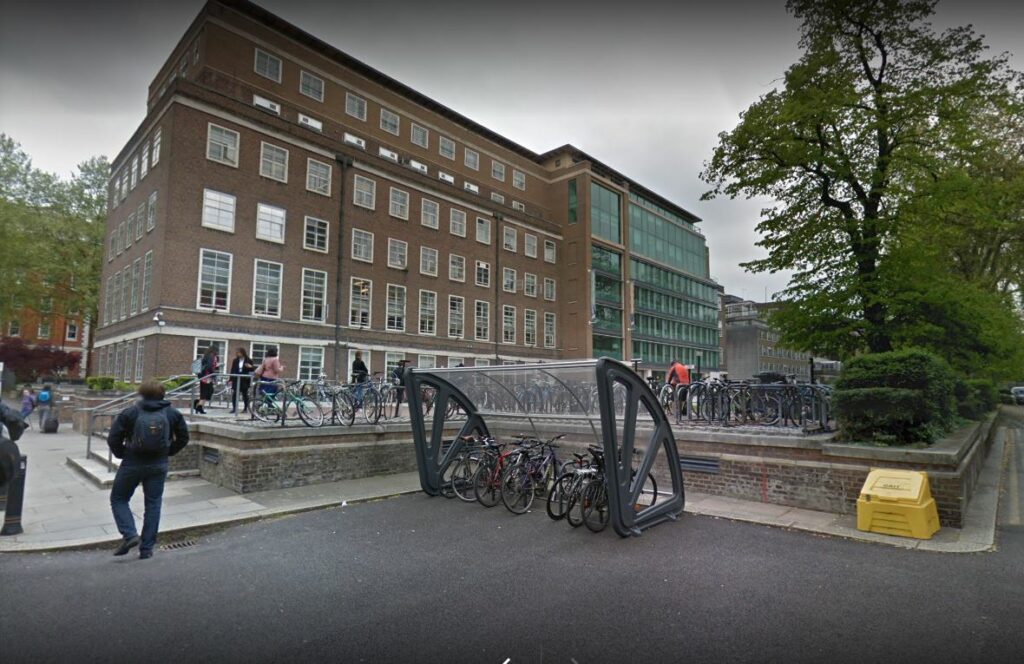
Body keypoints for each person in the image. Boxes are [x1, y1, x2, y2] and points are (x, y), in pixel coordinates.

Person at [107, 380, 190, 559]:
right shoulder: (172, 413)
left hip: (132, 462)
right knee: (153, 504)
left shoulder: (130, 412)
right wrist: (168, 451)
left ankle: (130, 534)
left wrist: (122, 453)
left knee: (119, 499)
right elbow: (184, 437)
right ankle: (146, 549)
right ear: (163, 394)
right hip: (158, 464)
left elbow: (113, 438)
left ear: (141, 394)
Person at [193, 346, 219, 414]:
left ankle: (199, 405)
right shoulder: (212, 356)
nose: (217, 352)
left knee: (204, 392)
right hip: (207, 377)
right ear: (214, 351)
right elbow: (210, 366)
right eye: (217, 351)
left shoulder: (205, 356)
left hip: (203, 376)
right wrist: (214, 373)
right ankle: (198, 405)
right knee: (208, 392)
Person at [229, 347, 255, 414]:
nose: (237, 354)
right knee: (235, 394)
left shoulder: (248, 360)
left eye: (238, 352)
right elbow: (232, 369)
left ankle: (245, 408)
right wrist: (230, 379)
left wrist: (250, 367)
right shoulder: (235, 360)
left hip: (244, 379)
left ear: (242, 353)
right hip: (236, 378)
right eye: (237, 353)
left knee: (245, 394)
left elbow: (252, 370)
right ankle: (234, 408)